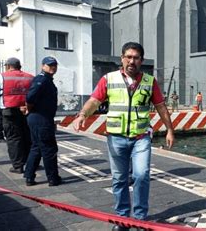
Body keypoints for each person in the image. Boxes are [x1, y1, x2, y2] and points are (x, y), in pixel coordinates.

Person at [73, 42, 175, 227]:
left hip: (141, 137)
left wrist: (169, 130)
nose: (131, 61)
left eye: (136, 57)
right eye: (128, 57)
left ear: (141, 61)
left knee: (141, 175)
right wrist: (82, 115)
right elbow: (95, 100)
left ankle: (140, 218)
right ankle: (122, 218)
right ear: (122, 58)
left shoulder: (149, 82)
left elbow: (161, 106)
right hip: (116, 137)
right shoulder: (108, 79)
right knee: (119, 179)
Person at [24, 56, 61, 186]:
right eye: (50, 65)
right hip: (41, 119)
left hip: (39, 118)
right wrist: (29, 108)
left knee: (36, 147)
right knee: (49, 149)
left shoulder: (46, 79)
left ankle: (29, 176)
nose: (53, 67)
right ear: (43, 66)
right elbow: (30, 97)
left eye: (55, 65)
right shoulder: (42, 79)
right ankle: (53, 178)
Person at [0, 57, 33, 173]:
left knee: (13, 138)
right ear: (20, 67)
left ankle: (18, 166)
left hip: (9, 112)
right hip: (27, 111)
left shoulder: (1, 77)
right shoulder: (30, 77)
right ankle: (30, 163)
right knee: (27, 137)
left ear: (7, 66)